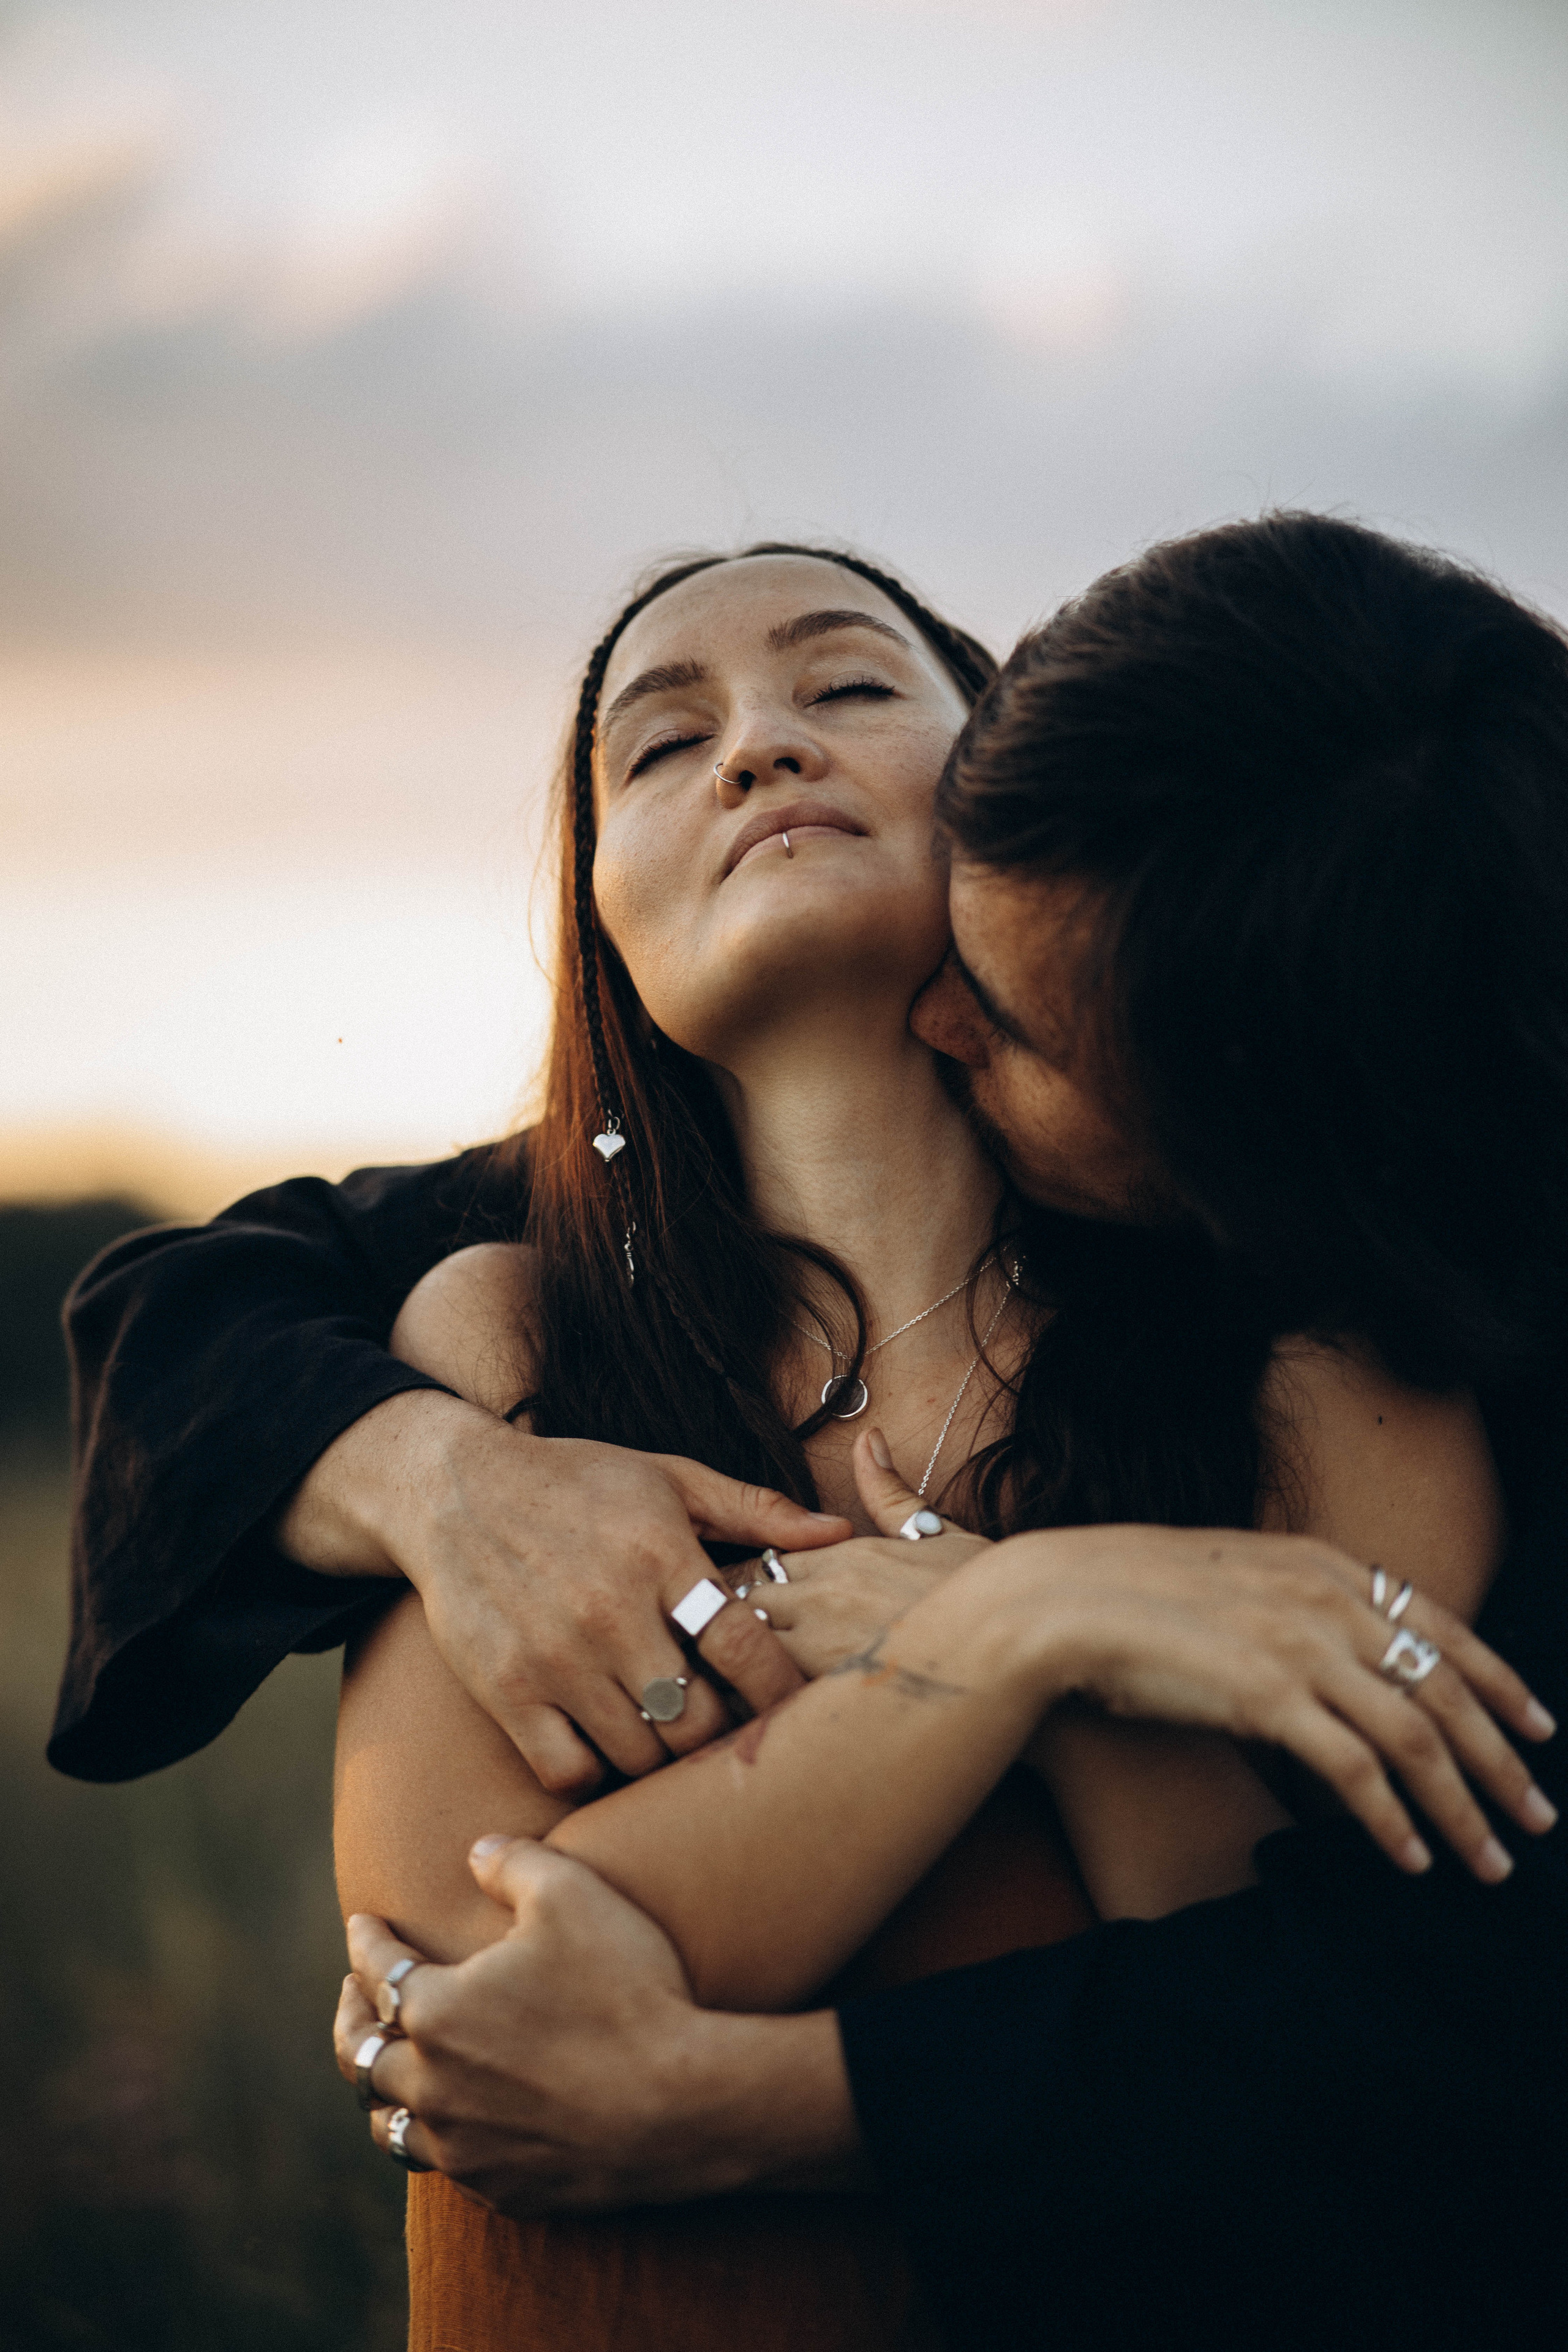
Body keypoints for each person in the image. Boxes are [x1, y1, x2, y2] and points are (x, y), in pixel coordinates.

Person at [57, 519, 1568, 2343]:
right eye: (660, 743)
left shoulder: (1304, 1355)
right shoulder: (503, 1323)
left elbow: (1320, 2017)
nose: (760, 748)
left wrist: (1009, 1648)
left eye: (848, 685)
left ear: (1012, 796)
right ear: (602, 915)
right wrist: (1028, 1637)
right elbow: (469, 1983)